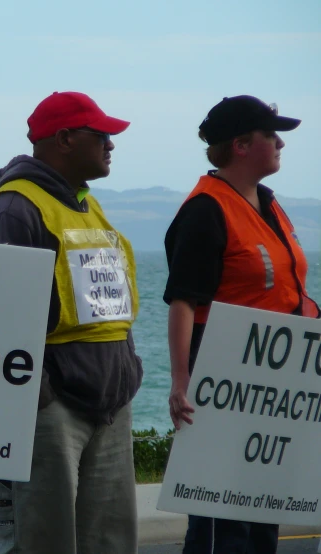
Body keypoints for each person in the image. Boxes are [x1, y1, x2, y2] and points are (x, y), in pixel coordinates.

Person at [0, 91, 143, 554]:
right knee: (46, 540)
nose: (111, 145)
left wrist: (128, 371)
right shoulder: (14, 209)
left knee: (110, 540)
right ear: (65, 139)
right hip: (53, 409)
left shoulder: (89, 205)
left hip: (109, 403)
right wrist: (41, 396)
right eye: (101, 135)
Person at [164, 95, 321, 554]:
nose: (280, 144)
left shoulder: (269, 205)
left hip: (273, 385)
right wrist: (180, 382)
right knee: (222, 523)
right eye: (271, 135)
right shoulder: (205, 210)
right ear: (241, 145)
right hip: (223, 380)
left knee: (262, 516)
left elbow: (284, 292)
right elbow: (183, 301)